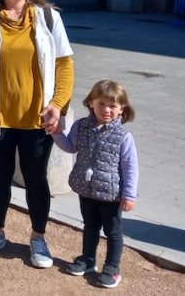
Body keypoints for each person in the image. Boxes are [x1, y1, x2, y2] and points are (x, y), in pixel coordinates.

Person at [0, 0, 75, 268]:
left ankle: (38, 238)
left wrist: (58, 105)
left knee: (35, 178)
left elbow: (65, 65)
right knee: (0, 175)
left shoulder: (48, 17)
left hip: (37, 118)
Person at [53, 80, 138, 289]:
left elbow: (130, 167)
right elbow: (70, 147)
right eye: (101, 104)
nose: (106, 110)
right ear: (91, 102)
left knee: (113, 231)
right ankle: (88, 259)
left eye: (112, 106)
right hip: (86, 189)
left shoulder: (124, 136)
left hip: (111, 194)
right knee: (90, 226)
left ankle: (112, 267)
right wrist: (56, 132)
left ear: (121, 109)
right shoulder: (81, 126)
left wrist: (129, 195)